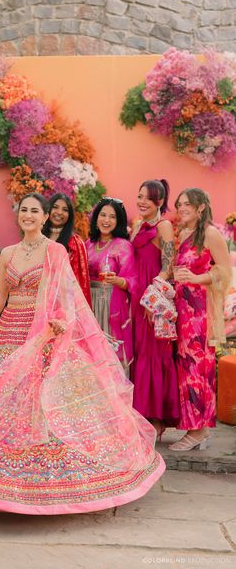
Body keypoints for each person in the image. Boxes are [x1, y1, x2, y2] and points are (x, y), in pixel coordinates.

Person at [0, 193, 164, 514]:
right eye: (24, 210)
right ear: (19, 216)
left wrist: (59, 322)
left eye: (34, 211)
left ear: (44, 218)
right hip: (6, 335)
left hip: (41, 335)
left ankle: (31, 483)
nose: (28, 215)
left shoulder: (55, 251)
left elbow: (68, 296)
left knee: (36, 405)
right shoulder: (7, 254)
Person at [169, 188, 231, 452]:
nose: (181, 208)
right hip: (182, 311)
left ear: (201, 207)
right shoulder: (184, 235)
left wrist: (196, 279)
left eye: (187, 204)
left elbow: (225, 273)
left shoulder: (212, 234)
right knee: (185, 369)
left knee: (198, 370)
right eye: (179, 204)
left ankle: (199, 430)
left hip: (199, 313)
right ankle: (194, 427)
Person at [130, 179, 179, 439]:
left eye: (147, 198)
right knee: (139, 354)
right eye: (139, 196)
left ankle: (157, 418)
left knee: (155, 354)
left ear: (159, 202)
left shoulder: (165, 226)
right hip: (135, 299)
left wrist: (153, 300)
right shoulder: (137, 225)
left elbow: (168, 266)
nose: (141, 202)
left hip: (152, 300)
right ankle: (141, 416)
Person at [86, 197, 138, 375]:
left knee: (111, 356)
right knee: (91, 357)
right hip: (89, 305)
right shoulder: (88, 244)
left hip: (111, 306)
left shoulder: (123, 246)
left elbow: (133, 280)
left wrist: (118, 281)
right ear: (96, 217)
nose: (106, 220)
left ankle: (116, 399)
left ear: (119, 221)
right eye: (103, 215)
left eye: (112, 217)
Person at [42, 193, 91, 306]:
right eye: (55, 207)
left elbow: (80, 281)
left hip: (64, 303)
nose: (59, 212)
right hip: (37, 300)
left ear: (69, 215)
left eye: (65, 209)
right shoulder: (37, 237)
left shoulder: (75, 243)